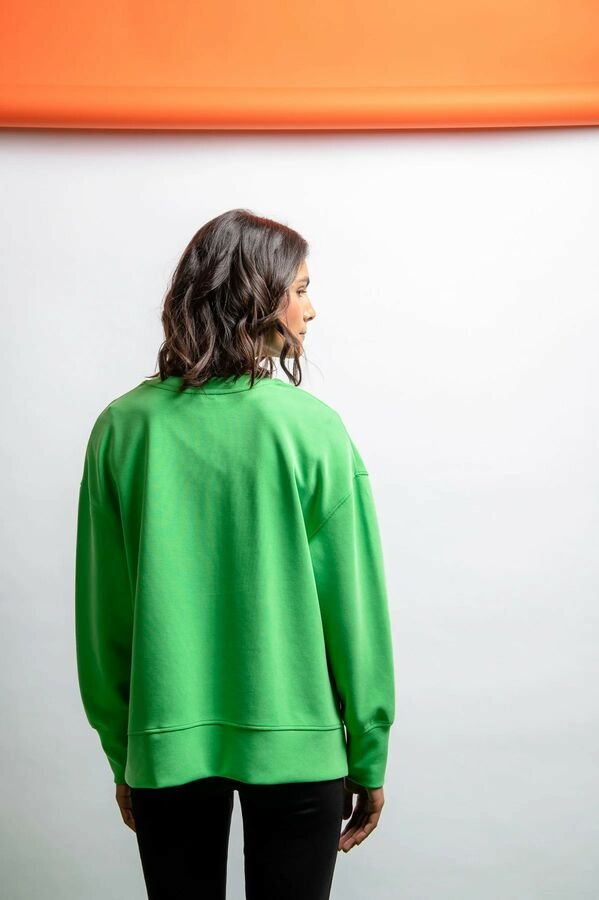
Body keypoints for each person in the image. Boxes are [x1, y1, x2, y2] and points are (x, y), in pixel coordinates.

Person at [75, 208, 396, 899]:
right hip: (300, 747)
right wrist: (368, 751)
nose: (311, 309)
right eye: (299, 289)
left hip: (166, 745)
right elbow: (355, 611)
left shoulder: (122, 430)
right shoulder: (314, 431)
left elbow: (104, 619)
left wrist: (125, 750)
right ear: (256, 294)